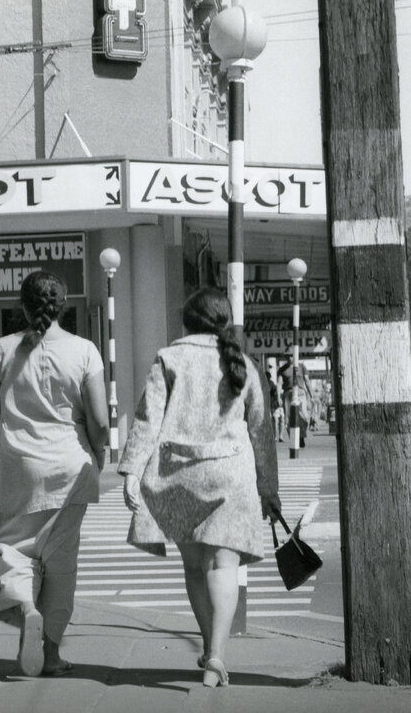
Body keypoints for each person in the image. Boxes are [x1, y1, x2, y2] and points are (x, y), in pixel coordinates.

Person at [118, 287, 280, 687]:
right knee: (224, 565)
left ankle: (209, 647)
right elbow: (261, 428)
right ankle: (217, 657)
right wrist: (268, 486)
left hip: (180, 473)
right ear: (223, 321)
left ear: (186, 323)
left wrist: (131, 471)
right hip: (231, 472)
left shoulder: (169, 358)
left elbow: (146, 420)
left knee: (194, 566)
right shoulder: (243, 363)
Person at [0, 270, 109, 677]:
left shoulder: (0, 351)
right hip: (72, 466)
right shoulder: (85, 351)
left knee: (15, 550)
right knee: (61, 563)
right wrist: (98, 456)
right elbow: (101, 421)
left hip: (19, 469)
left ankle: (27, 606)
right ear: (63, 303)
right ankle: (50, 655)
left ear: (23, 305)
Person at [277, 357, 312, 447]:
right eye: (287, 356)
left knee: (304, 416)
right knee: (288, 418)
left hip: (300, 392)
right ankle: (294, 438)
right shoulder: (282, 369)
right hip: (288, 393)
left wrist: (311, 395)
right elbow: (279, 383)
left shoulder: (301, 367)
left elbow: (307, 380)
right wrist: (278, 397)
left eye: (291, 355)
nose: (289, 358)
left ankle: (302, 436)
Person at [267, 372, 285, 441]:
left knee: (280, 420)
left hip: (277, 405)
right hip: (274, 405)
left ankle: (279, 436)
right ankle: (276, 436)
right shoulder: (269, 384)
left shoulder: (271, 384)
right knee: (277, 420)